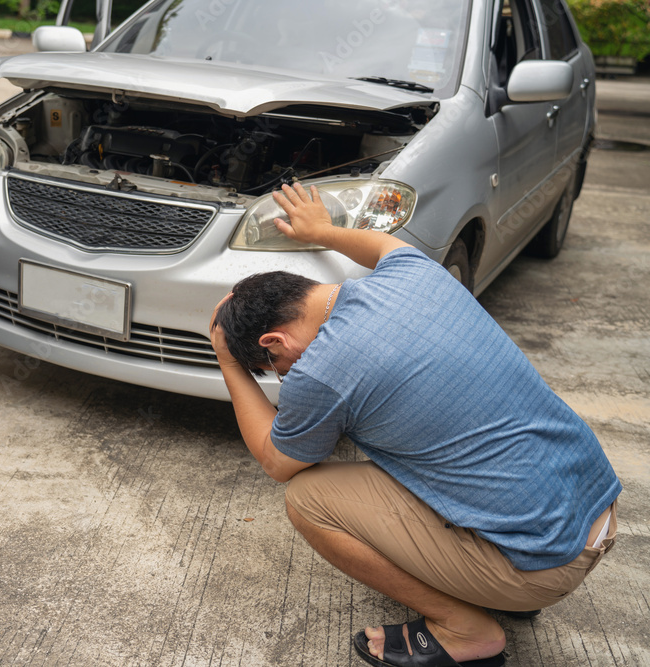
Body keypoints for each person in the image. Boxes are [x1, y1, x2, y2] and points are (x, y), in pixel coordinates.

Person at [209, 182, 622, 667]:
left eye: (276, 367)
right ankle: (503, 572)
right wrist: (324, 229)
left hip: (545, 565)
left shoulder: (321, 372)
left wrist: (229, 361)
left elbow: (276, 461)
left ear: (275, 341)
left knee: (308, 500)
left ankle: (466, 631)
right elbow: (384, 243)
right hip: (597, 506)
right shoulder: (413, 273)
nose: (287, 376)